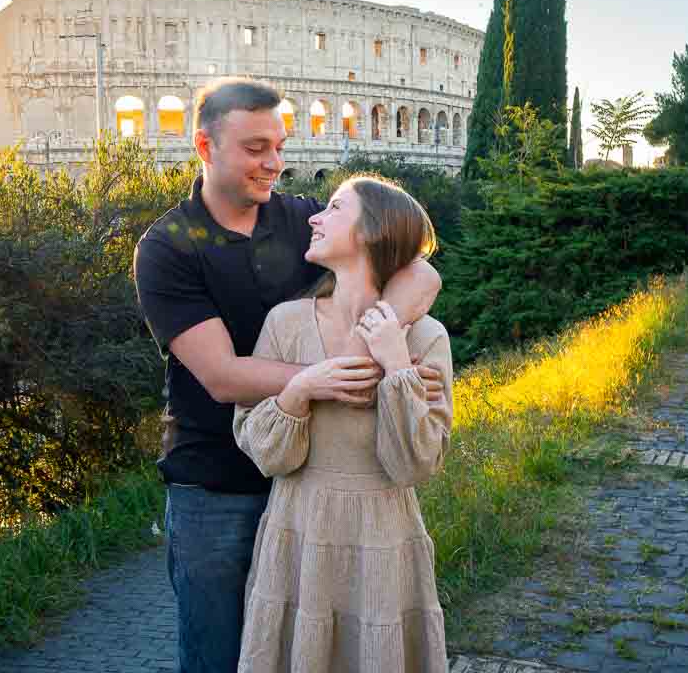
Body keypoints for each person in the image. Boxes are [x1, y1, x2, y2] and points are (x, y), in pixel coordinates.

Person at [133, 78, 442, 673]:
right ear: (204, 146)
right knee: (220, 658)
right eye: (255, 148)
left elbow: (421, 273)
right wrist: (342, 375)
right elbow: (223, 377)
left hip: (310, 490)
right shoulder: (167, 247)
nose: (274, 162)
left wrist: (380, 345)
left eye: (278, 144)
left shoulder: (303, 219)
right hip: (215, 486)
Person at [233, 175, 453, 673]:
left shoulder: (425, 335)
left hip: (383, 536)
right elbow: (266, 453)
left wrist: (396, 365)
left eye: (334, 208)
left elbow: (416, 463)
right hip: (298, 531)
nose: (315, 217)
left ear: (373, 233)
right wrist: (300, 389)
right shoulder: (285, 322)